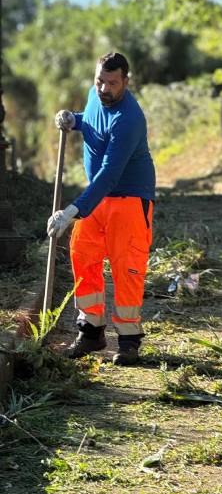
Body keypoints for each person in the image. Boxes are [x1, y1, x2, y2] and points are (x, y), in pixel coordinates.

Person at [48, 52, 156, 366]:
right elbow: (94, 123)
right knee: (84, 256)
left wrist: (71, 211)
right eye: (100, 81)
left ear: (125, 81)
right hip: (98, 197)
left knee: (127, 267)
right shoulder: (96, 97)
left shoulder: (130, 118)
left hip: (129, 199)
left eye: (112, 83)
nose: (104, 89)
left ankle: (128, 341)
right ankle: (91, 331)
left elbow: (109, 174)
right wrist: (74, 120)